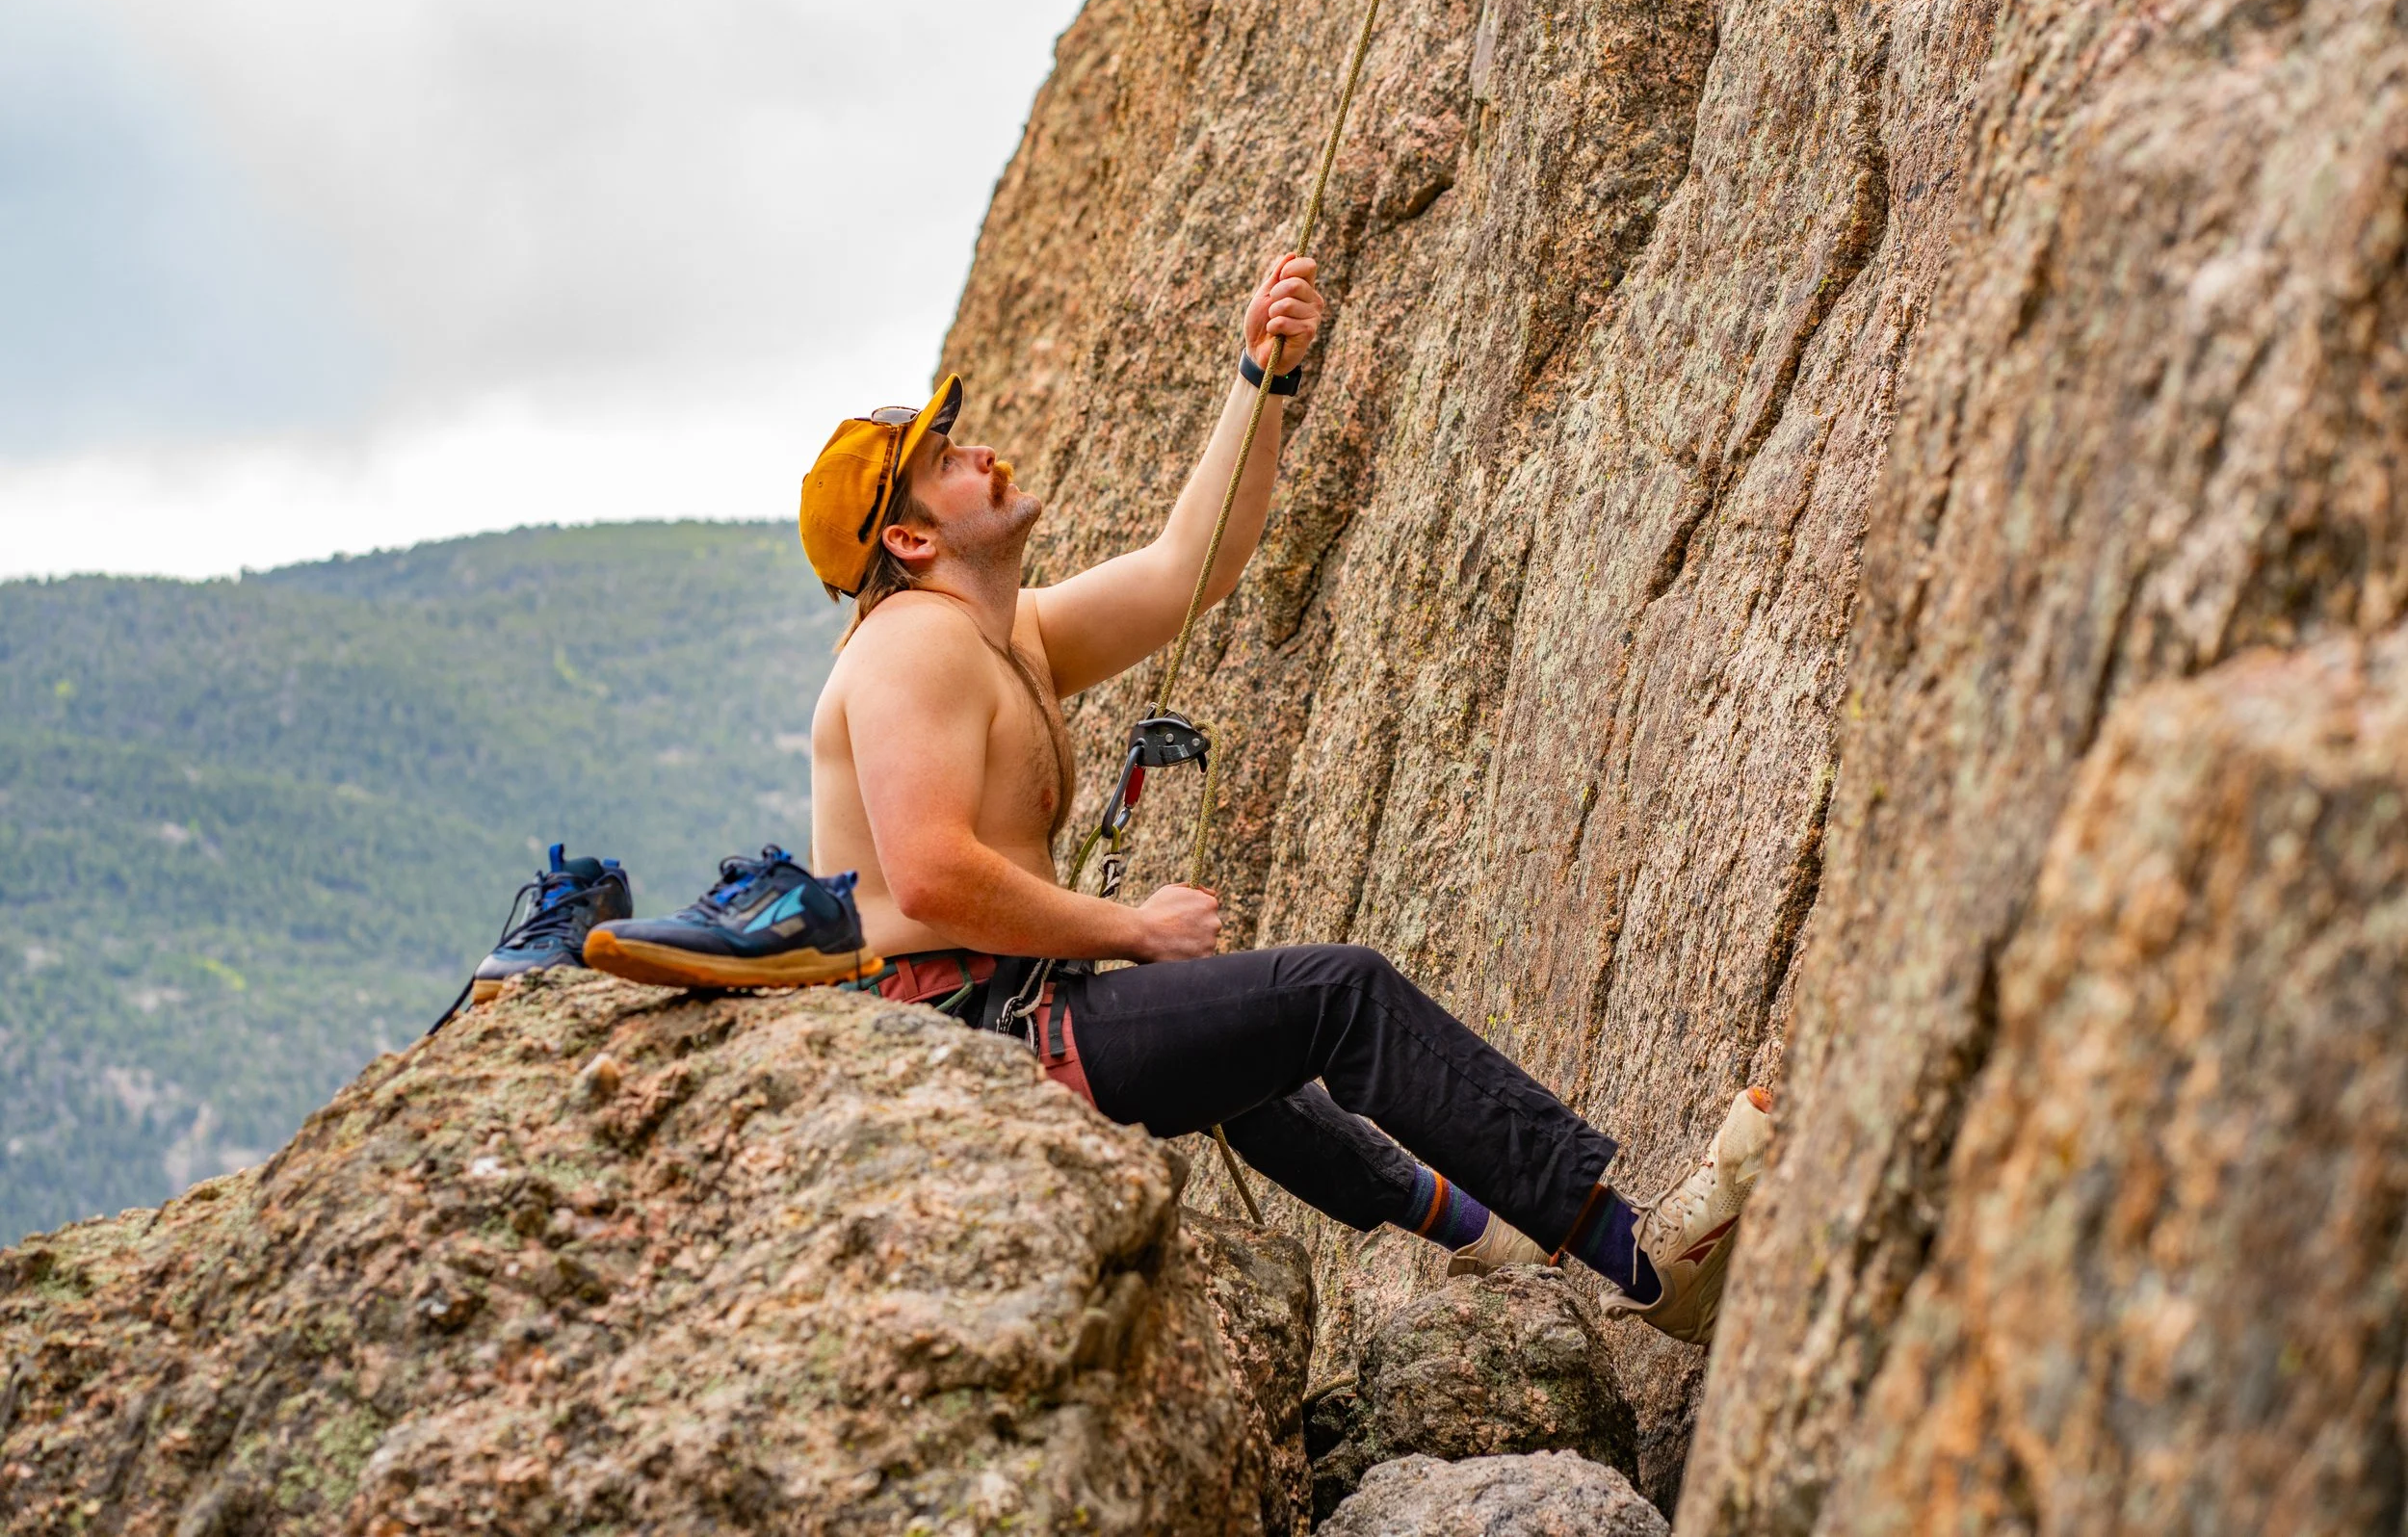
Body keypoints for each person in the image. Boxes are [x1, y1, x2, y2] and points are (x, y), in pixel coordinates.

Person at [576, 252, 1772, 1344]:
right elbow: (933, 871)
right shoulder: (907, 652)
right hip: (970, 1041)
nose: (983, 454)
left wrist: (1262, 377)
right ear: (911, 537)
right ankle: (1637, 1255)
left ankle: (1501, 1236)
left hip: (1013, 1015)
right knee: (1333, 997)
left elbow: (1192, 565)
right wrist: (1131, 929)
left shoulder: (1009, 631)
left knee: (1255, 1058)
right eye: (949, 463)